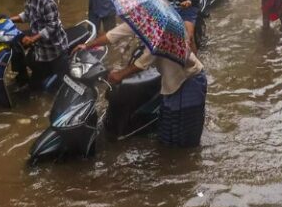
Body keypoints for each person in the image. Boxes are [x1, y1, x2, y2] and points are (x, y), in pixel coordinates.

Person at [74, 24, 207, 148]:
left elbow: (146, 59)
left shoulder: (161, 30)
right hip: (171, 82)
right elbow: (113, 35)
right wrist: (87, 46)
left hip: (188, 80)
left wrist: (120, 74)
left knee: (183, 137)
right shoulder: (141, 20)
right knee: (168, 132)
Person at [9, 0, 69, 89]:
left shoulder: (46, 0)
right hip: (39, 45)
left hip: (53, 49)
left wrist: (32, 39)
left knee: (55, 87)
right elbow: (27, 14)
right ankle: (21, 75)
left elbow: (52, 27)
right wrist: (10, 20)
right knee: (14, 41)